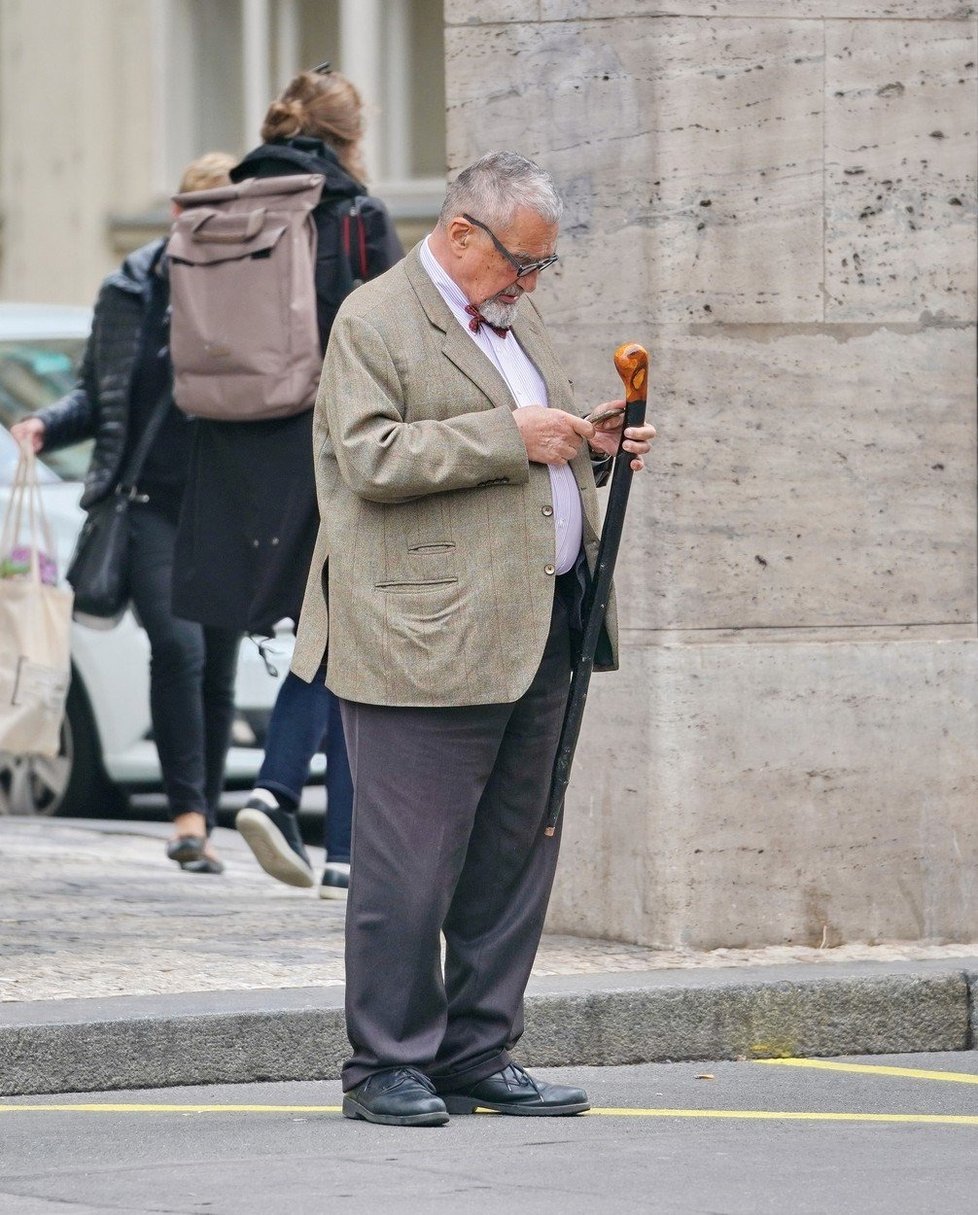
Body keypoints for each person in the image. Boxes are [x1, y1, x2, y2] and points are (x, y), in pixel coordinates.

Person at [289, 150, 657, 1126]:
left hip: (539, 624)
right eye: (520, 264)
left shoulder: (512, 317)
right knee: (409, 864)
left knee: (513, 852)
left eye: (541, 267)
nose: (530, 283)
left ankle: (477, 1048)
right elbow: (367, 457)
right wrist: (514, 436)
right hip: (422, 638)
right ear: (460, 235)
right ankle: (385, 1063)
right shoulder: (375, 319)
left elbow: (536, 436)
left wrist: (592, 438)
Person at [170, 67, 403, 899]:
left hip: (237, 449)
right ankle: (277, 788)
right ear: (349, 135)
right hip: (329, 444)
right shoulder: (354, 215)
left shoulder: (224, 207)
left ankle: (343, 847)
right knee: (341, 628)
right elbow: (396, 333)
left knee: (337, 629)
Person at [12, 152, 241, 875]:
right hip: (144, 505)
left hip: (225, 509)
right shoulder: (129, 289)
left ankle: (203, 808)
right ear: (177, 215)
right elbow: (98, 395)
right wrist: (46, 424)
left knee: (219, 669)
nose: (213, 232)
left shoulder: (251, 294)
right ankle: (189, 818)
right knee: (181, 648)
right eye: (201, 217)